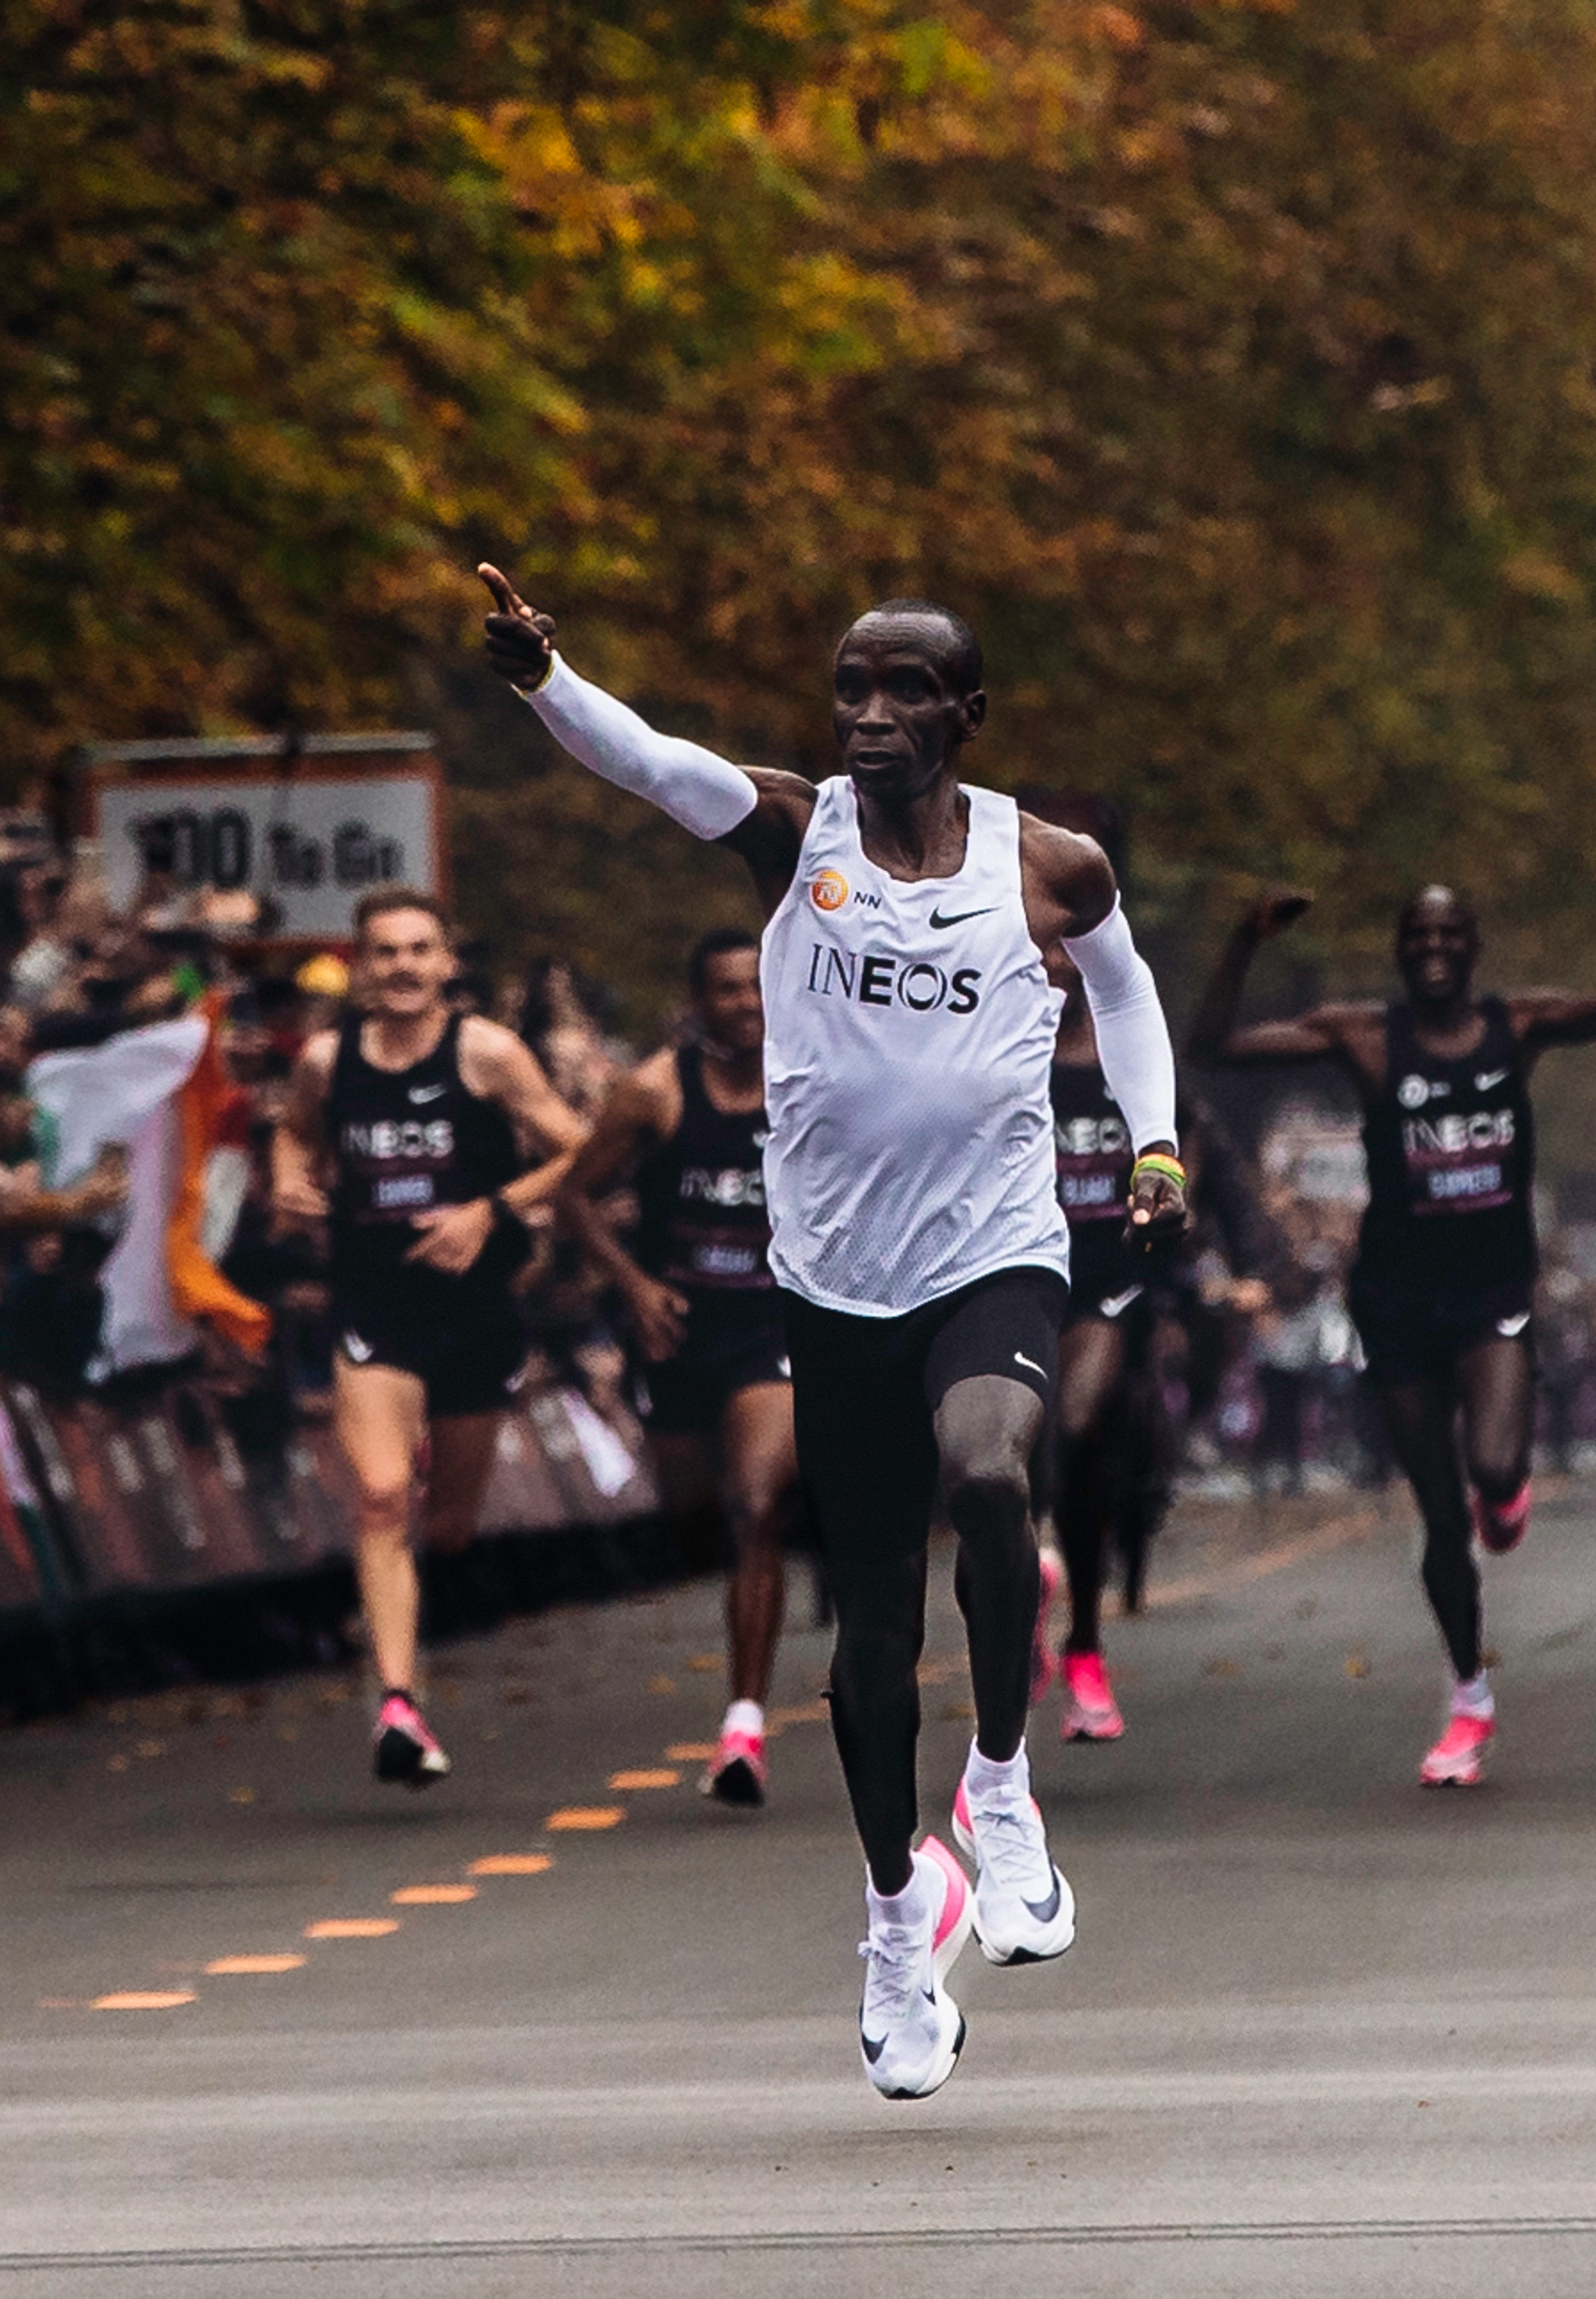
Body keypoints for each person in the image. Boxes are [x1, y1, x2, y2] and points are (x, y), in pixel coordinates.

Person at [480, 565, 1185, 2102]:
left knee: (994, 1478)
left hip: (996, 1250)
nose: (868, 715)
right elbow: (649, 761)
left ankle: (999, 1790)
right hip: (837, 1281)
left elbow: (1126, 1003)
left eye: (902, 691)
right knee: (870, 1635)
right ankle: (893, 1912)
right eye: (850, 689)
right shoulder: (795, 834)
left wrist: (1154, 1147)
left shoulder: (1049, 863)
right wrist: (546, 676)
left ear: (967, 715)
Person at [1188, 835, 1596, 1787]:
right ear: (1404, 950)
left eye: (1451, 932)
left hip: (1491, 1291)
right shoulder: (1363, 1035)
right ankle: (1468, 1695)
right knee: (1441, 1517)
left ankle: (1505, 1487)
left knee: (1491, 1463)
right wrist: (1244, 937)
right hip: (1395, 1298)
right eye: (1419, 933)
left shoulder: (1516, 1025)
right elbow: (1217, 1045)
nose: (1434, 946)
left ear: (1472, 947)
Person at [272, 889, 589, 1791]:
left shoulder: (486, 1051)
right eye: (385, 952)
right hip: (375, 1303)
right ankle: (399, 1704)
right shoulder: (329, 1062)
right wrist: (293, 1185)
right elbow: (292, 1144)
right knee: (378, 1495)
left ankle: (416, 1583)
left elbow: (581, 1148)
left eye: (421, 949)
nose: (404, 966)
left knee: (446, 1526)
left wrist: (488, 1212)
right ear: (362, 968)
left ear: (447, 962)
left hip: (474, 1315)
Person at [548, 926, 803, 1807]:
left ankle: (743, 1722)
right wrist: (634, 1283)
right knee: (698, 1520)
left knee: (756, 1505)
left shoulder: (813, 1085)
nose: (745, 1004)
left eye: (757, 988)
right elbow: (571, 1192)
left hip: (773, 1323)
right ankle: (736, 1613)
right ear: (698, 1002)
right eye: (727, 990)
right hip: (677, 1329)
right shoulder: (652, 1092)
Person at [1042, 979, 1153, 1742]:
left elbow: (1181, 1140)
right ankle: (1025, 1596)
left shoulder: (1125, 1045)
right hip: (1003, 1268)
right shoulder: (987, 1038)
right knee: (1002, 1460)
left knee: (1073, 1430)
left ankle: (1084, 1645)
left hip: (1105, 1284)